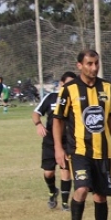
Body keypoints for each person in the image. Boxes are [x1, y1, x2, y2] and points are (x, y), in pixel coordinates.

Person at [53, 50, 111, 220]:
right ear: (79, 65)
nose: (94, 68)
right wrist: (58, 148)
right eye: (89, 64)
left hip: (102, 151)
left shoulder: (108, 88)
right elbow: (58, 120)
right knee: (82, 189)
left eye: (96, 63)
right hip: (79, 150)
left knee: (101, 196)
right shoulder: (69, 89)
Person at [32, 72, 76, 210]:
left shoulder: (76, 99)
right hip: (50, 140)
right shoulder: (51, 98)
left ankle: (64, 203)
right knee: (48, 172)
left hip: (68, 140)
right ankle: (52, 191)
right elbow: (36, 113)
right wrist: (38, 124)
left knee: (65, 170)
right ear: (61, 84)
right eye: (68, 83)